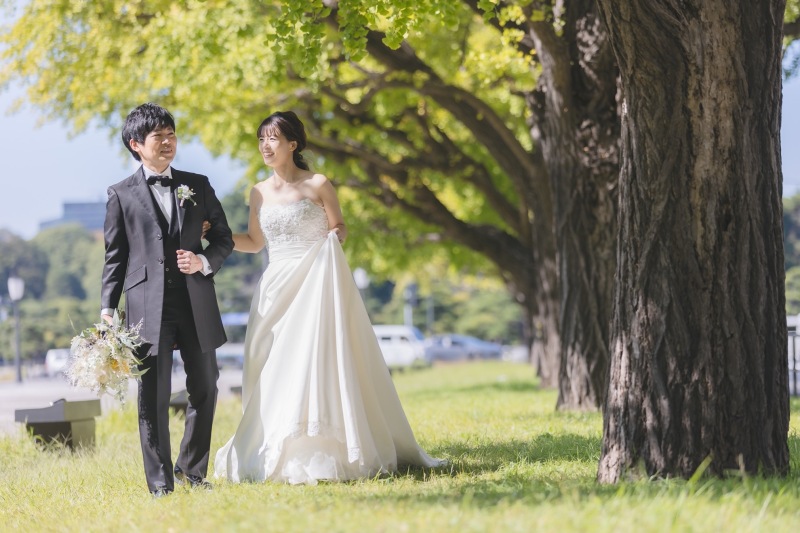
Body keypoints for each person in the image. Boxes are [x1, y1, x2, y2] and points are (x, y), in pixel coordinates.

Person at [214, 111, 443, 484]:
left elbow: (340, 227)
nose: (265, 146)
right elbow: (255, 243)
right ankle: (270, 443)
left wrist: (332, 240)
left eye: (273, 138)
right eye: (261, 139)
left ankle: (322, 447)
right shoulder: (258, 191)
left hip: (315, 283)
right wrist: (217, 237)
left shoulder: (318, 183)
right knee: (272, 365)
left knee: (312, 360)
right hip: (275, 288)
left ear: (293, 144)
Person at [101, 103, 234, 497]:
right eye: (159, 136)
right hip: (146, 306)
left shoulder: (199, 184)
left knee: (207, 386)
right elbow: (115, 258)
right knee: (153, 395)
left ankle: (192, 470)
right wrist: (108, 309)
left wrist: (204, 260)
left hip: (196, 299)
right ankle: (160, 484)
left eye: (172, 134)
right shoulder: (120, 195)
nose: (168, 142)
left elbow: (223, 238)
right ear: (136, 144)